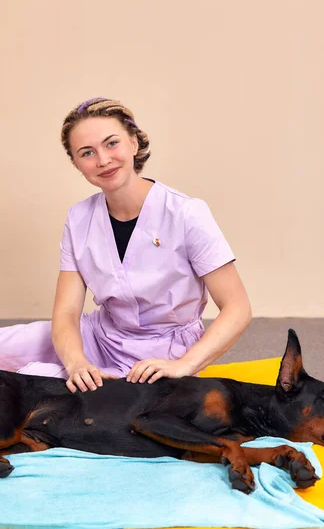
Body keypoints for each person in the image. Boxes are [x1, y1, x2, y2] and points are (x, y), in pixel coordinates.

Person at [0, 97, 252, 393]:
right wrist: (76, 363)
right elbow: (67, 312)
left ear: (133, 143)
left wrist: (184, 365)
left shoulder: (186, 213)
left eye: (112, 143)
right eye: (87, 152)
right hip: (98, 335)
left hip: (162, 354)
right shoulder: (79, 217)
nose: (103, 160)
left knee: (34, 384)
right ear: (76, 163)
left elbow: (238, 308)